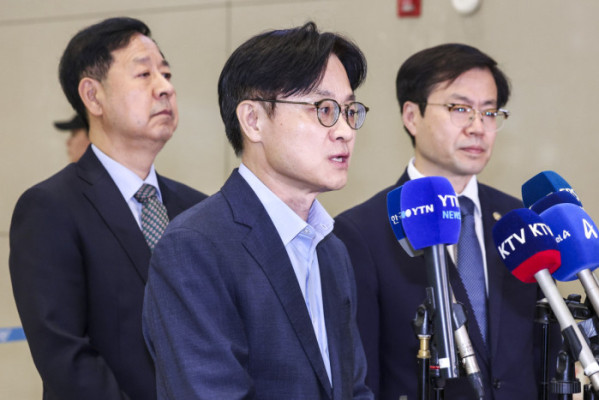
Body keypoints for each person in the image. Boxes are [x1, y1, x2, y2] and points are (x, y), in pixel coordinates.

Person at [142, 22, 373, 399]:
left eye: (349, 111)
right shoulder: (194, 248)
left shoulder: (333, 251)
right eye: (324, 109)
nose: (345, 130)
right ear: (253, 121)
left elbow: (353, 389)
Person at [334, 44, 556, 399]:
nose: (478, 127)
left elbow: (543, 355)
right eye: (460, 109)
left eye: (489, 112)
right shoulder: (362, 231)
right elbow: (362, 376)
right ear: (412, 116)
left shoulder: (520, 222)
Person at [9, 17, 207, 400]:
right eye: (144, 74)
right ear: (93, 96)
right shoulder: (50, 209)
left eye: (166, 74)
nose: (165, 87)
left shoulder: (198, 208)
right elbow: (65, 358)